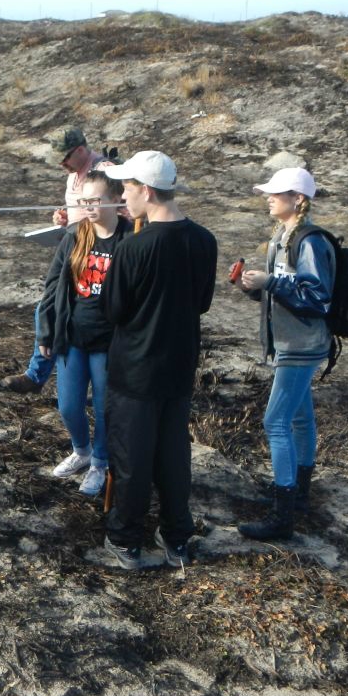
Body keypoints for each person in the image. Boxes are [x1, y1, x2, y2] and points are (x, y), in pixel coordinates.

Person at [98, 151, 217, 570]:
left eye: (127, 187)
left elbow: (113, 311)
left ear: (146, 191)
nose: (122, 196)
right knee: (172, 455)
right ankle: (176, 536)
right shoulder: (205, 240)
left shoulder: (133, 248)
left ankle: (125, 540)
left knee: (131, 457)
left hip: (134, 370)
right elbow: (201, 302)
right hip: (179, 367)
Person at [235, 167, 335, 541]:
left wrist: (271, 282)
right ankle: (299, 493)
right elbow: (285, 292)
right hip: (294, 343)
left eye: (277, 193)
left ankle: (282, 516)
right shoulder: (283, 236)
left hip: (301, 345)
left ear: (298, 199)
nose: (269, 197)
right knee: (299, 418)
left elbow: (317, 297)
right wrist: (253, 287)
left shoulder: (308, 242)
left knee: (275, 422)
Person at [37, 170, 130, 496]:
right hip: (73, 336)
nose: (89, 206)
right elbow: (52, 287)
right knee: (68, 406)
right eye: (84, 201)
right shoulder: (76, 235)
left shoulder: (131, 238)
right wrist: (46, 333)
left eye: (95, 200)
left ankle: (101, 462)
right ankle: (82, 450)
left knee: (105, 407)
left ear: (117, 200)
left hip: (109, 343)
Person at [0, 127, 109, 395]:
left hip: (93, 253)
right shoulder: (73, 174)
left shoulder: (102, 171)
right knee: (50, 306)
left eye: (65, 159)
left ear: (80, 151)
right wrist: (63, 218)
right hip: (71, 245)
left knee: (50, 307)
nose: (62, 165)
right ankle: (37, 375)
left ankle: (39, 376)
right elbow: (77, 212)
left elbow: (120, 213)